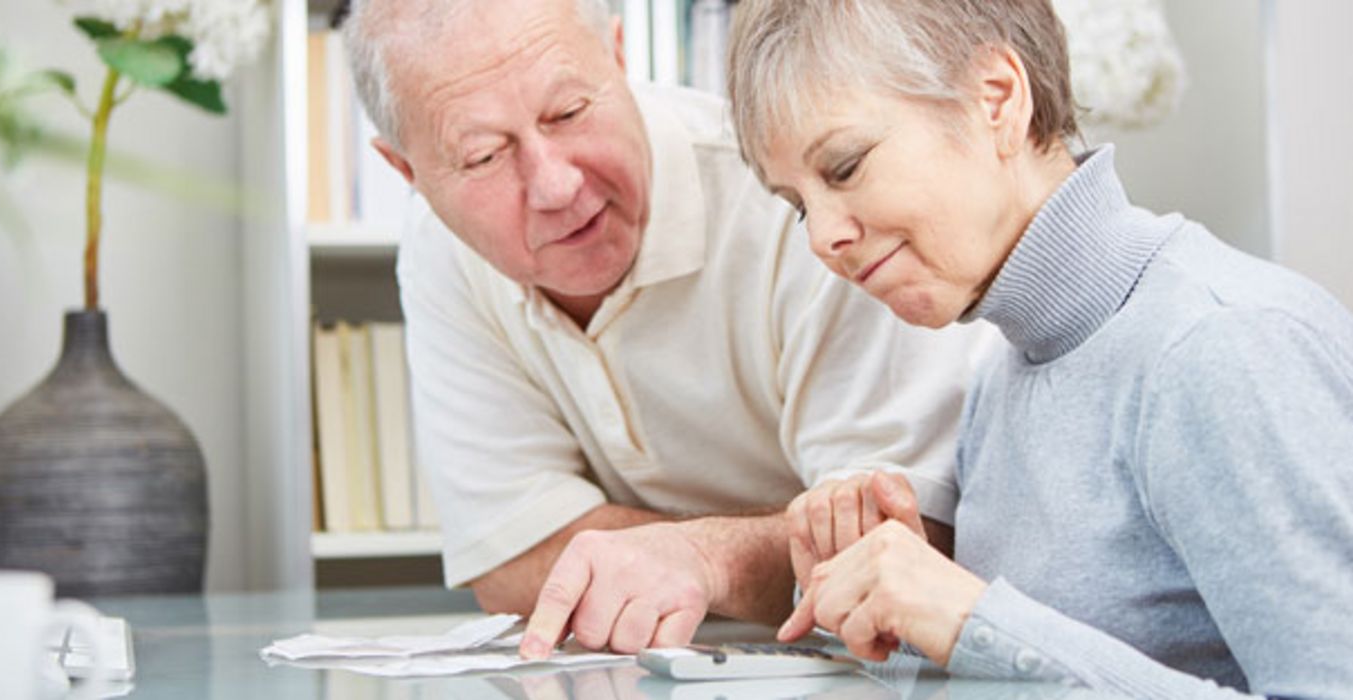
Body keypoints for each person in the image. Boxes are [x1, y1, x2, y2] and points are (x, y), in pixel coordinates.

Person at [726, 0, 1353, 697]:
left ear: (995, 99)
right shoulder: (1005, 366)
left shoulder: (1219, 345)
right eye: (798, 204)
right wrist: (889, 617)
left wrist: (974, 619)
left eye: (843, 168)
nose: (821, 238)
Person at [340, 0, 996, 658]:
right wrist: (742, 551)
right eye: (482, 156)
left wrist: (703, 559)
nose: (555, 185)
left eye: (569, 113)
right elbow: (510, 560)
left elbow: (901, 548)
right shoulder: (441, 250)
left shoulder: (801, 205)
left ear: (622, 58)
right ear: (406, 173)